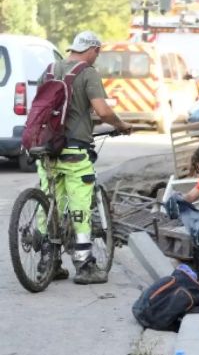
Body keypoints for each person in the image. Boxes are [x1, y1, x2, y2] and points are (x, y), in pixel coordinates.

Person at [38, 31, 132, 284]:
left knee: (49, 201)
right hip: (74, 150)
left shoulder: (49, 69)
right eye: (97, 52)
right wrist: (121, 125)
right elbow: (102, 110)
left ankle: (48, 261)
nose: (97, 58)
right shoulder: (87, 72)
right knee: (80, 204)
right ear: (92, 49)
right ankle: (84, 264)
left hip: (46, 148)